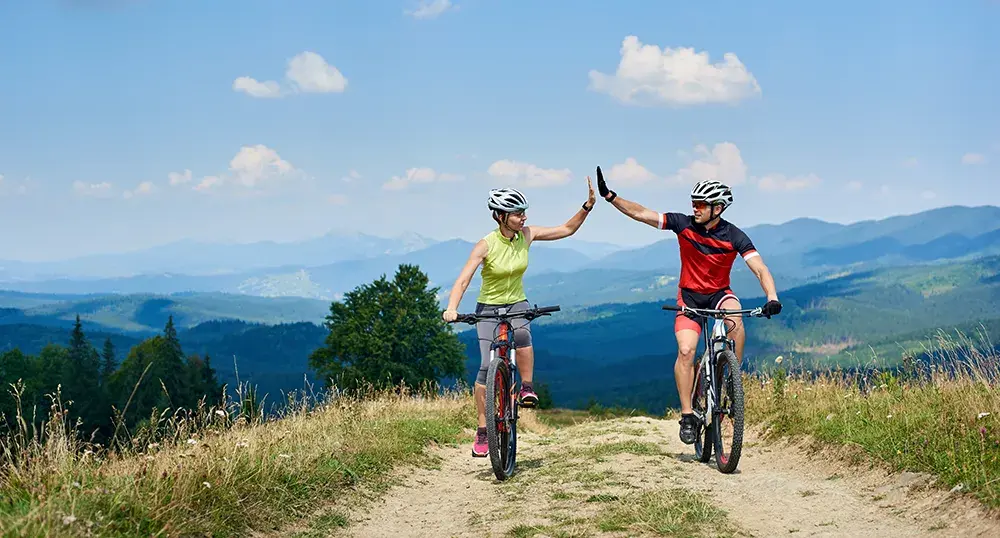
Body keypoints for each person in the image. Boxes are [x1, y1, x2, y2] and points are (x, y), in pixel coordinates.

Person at [594, 166, 781, 445]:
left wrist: (772, 297)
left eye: (700, 205)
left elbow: (760, 268)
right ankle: (687, 415)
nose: (694, 208)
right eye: (693, 203)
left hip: (719, 293)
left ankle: (732, 378)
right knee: (686, 351)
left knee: (735, 320)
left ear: (717, 208)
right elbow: (643, 214)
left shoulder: (735, 236)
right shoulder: (683, 224)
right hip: (690, 298)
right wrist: (611, 196)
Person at [443, 178, 596, 457]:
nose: (523, 217)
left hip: (517, 303)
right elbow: (464, 279)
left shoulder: (527, 234)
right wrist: (452, 308)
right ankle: (483, 430)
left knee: (523, 335)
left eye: (523, 212)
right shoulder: (485, 245)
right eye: (517, 213)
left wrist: (587, 206)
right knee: (486, 367)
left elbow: (566, 229)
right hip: (488, 307)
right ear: (500, 217)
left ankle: (526, 387)